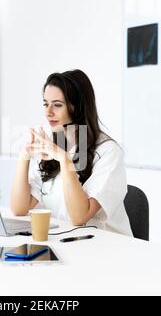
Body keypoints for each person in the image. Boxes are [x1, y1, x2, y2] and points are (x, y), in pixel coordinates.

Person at [10, 69, 133, 236]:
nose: (48, 112)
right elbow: (19, 209)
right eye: (46, 104)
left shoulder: (108, 151)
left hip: (106, 247)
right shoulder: (54, 144)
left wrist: (64, 159)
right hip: (68, 241)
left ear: (78, 108)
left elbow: (79, 217)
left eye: (57, 105)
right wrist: (25, 155)